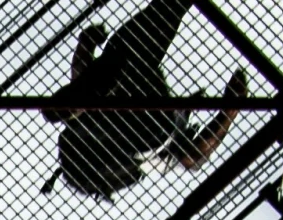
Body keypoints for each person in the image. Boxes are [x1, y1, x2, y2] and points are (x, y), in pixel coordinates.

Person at [44, 1, 249, 199]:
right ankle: (90, 102)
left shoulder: (154, 157)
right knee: (112, 74)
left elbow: (193, 157)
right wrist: (230, 110)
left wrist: (230, 110)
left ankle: (90, 100)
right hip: (141, 127)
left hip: (138, 116)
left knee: (113, 72)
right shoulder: (154, 156)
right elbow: (192, 157)